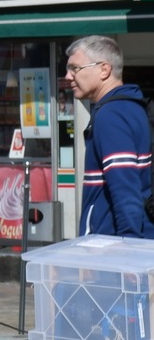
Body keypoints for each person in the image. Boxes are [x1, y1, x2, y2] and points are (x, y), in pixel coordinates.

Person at [67, 35, 154, 238]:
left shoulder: (111, 114)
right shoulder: (132, 106)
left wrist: (128, 243)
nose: (68, 77)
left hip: (111, 242)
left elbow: (124, 186)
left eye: (75, 68)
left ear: (104, 70)